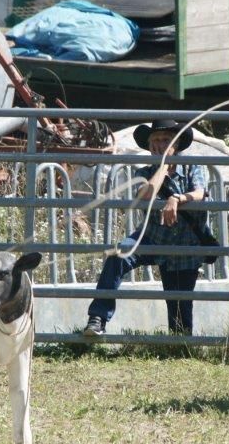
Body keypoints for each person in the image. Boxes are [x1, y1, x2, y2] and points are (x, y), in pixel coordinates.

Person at [83, 119, 211, 337]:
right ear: (149, 146)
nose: (159, 144)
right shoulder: (143, 172)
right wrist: (163, 166)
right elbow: (147, 193)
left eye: (166, 140)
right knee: (118, 254)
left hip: (184, 245)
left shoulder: (192, 167)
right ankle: (97, 319)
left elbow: (199, 193)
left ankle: (180, 347)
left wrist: (176, 199)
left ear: (177, 144)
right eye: (155, 140)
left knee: (180, 314)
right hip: (151, 237)